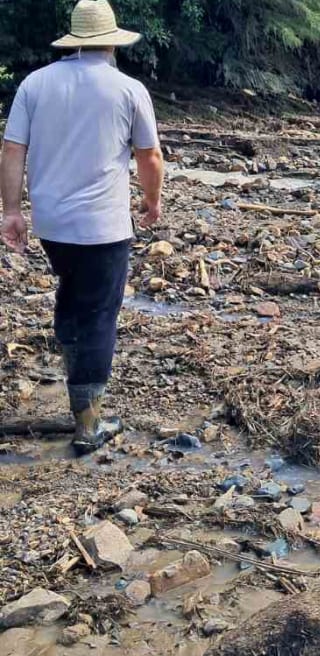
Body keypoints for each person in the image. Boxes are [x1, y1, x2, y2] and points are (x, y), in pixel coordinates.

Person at [0, 0, 165, 454]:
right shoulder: (128, 89)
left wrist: (11, 211)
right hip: (104, 226)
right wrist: (151, 202)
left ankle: (76, 380)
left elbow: (13, 150)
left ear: (75, 41)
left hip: (52, 223)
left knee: (73, 296)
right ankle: (88, 421)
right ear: (113, 42)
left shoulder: (36, 83)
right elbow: (149, 157)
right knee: (99, 315)